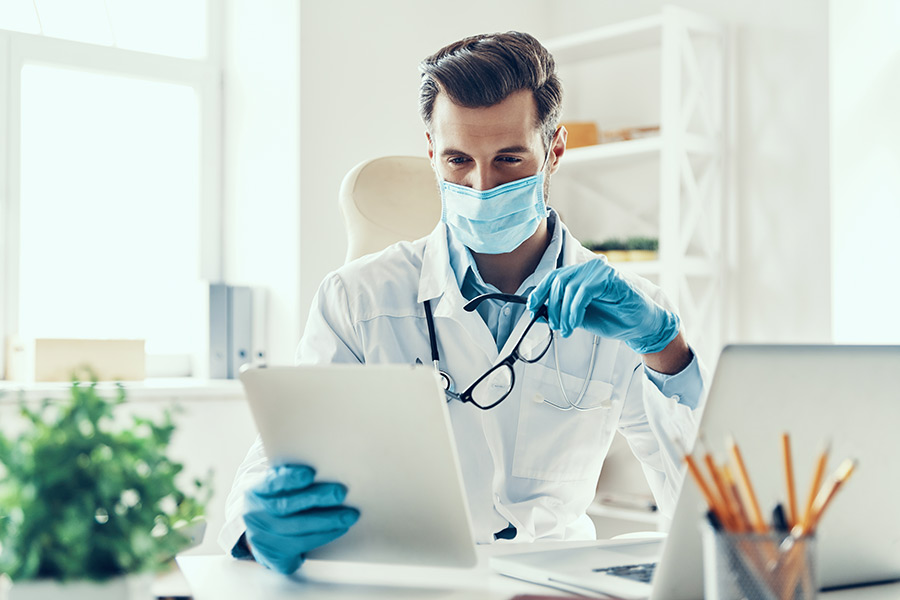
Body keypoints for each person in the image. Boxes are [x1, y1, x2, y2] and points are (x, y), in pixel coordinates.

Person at [219, 31, 707, 575]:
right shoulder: (356, 301)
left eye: (508, 159)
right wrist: (257, 517)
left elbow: (710, 511)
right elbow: (279, 458)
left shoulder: (630, 310)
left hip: (553, 585)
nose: (481, 185)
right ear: (431, 153)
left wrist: (668, 351)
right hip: (410, 581)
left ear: (555, 151)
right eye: (457, 160)